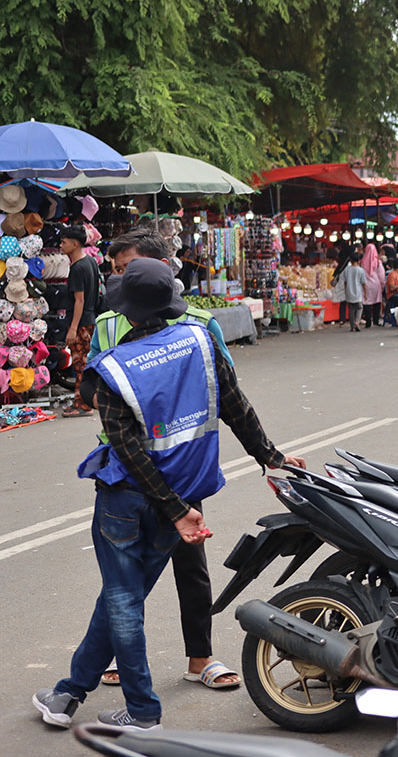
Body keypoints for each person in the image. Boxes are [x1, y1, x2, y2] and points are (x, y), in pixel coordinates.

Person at [34, 258, 305, 731]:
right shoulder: (201, 342)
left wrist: (177, 511)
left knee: (122, 599)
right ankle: (68, 693)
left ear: (128, 312)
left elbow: (129, 449)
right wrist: (270, 457)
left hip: (129, 501)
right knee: (124, 596)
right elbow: (235, 405)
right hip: (182, 493)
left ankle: (141, 711)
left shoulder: (112, 368)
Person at [87, 232, 237, 690]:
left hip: (182, 468)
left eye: (126, 268)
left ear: (158, 267)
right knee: (126, 572)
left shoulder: (198, 322)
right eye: (115, 270)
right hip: (128, 469)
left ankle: (201, 658)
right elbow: (93, 384)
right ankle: (120, 658)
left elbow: (224, 383)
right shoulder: (108, 323)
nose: (119, 278)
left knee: (190, 565)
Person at [61, 225, 101, 417]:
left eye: (64, 241)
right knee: (84, 363)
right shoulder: (91, 262)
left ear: (75, 243)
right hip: (90, 318)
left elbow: (79, 300)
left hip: (81, 322)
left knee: (80, 364)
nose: (61, 245)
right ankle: (82, 401)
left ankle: (82, 404)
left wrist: (73, 328)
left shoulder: (78, 268)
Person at [338, 252, 366, 332]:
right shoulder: (361, 270)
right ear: (359, 260)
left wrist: (346, 289)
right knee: (359, 307)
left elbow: (345, 282)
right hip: (357, 292)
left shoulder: (346, 269)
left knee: (351, 309)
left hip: (349, 291)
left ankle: (352, 326)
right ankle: (357, 321)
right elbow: (363, 283)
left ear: (350, 260)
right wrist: (365, 293)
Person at [361, 243, 385, 329]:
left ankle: (368, 321)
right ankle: (375, 320)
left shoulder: (362, 262)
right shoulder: (378, 262)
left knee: (366, 302)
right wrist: (382, 284)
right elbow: (381, 275)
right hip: (376, 284)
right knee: (376, 302)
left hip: (366, 285)